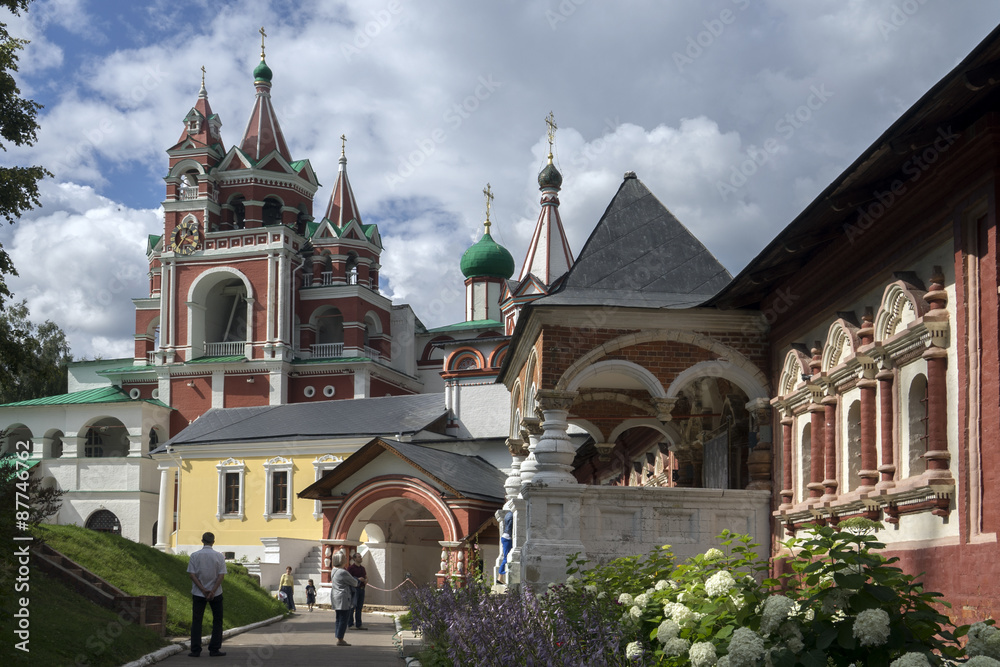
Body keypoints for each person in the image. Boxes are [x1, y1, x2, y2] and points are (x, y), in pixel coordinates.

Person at [187, 532, 227, 658]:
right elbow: (221, 575)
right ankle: (214, 649)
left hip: (199, 593)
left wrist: (203, 590)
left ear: (202, 541)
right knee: (217, 620)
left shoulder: (195, 555)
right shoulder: (219, 556)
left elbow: (192, 575)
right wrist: (213, 590)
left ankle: (195, 650)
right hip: (216, 593)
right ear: (213, 542)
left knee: (197, 621)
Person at [330, 550, 358, 646]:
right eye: (344, 558)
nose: (346, 559)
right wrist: (358, 579)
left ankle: (338, 636)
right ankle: (340, 639)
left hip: (335, 596)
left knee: (339, 618)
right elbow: (354, 582)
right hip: (343, 597)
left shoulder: (334, 570)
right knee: (343, 618)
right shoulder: (342, 572)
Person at [347, 552, 368, 630]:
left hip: (362, 589)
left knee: (359, 607)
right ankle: (350, 624)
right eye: (359, 557)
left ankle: (359, 624)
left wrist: (366, 580)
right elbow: (349, 579)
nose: (360, 558)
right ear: (354, 559)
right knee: (352, 607)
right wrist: (358, 579)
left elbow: (366, 576)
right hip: (354, 589)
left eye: (361, 557)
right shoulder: (351, 568)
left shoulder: (362, 568)